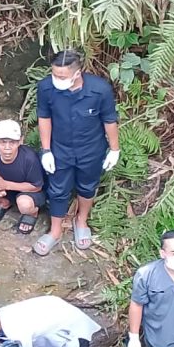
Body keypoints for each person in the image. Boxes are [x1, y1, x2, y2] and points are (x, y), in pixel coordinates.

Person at [33, 49, 120, 256]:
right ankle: (55, 231)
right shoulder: (46, 88)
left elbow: (109, 120)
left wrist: (114, 149)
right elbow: (44, 117)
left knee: (87, 186)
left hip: (91, 149)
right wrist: (46, 150)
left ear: (77, 73)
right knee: (57, 188)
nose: (56, 79)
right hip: (59, 148)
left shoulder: (100, 90)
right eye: (54, 74)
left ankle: (81, 221)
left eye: (61, 76)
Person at [0, 120, 45, 235]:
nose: (7, 147)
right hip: (6, 190)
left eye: (12, 142)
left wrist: (6, 184)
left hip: (28, 192)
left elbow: (37, 186)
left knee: (24, 204)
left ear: (20, 141)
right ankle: (4, 202)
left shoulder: (29, 158)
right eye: (3, 142)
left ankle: (32, 213)